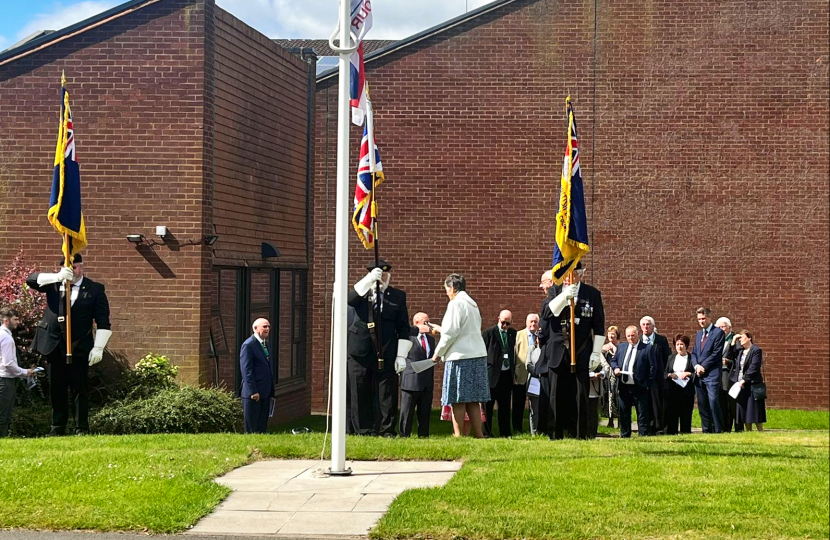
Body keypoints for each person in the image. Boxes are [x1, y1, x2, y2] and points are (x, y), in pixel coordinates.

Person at [26, 254, 111, 436]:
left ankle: (81, 427)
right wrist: (57, 277)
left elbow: (103, 322)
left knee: (79, 388)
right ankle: (57, 427)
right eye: (69, 267)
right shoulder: (54, 284)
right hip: (54, 345)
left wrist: (98, 348)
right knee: (56, 388)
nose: (74, 271)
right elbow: (31, 280)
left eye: (76, 267)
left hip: (79, 345)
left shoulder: (95, 289)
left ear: (82, 267)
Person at [538, 261, 605, 440]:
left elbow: (599, 327)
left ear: (580, 273)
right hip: (558, 352)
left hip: (582, 351)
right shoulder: (554, 291)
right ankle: (555, 434)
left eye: (572, 273)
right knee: (556, 395)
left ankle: (579, 434)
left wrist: (596, 353)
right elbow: (546, 313)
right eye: (566, 273)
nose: (569, 277)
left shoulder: (592, 294)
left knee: (580, 396)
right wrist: (563, 297)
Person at [347, 260, 411, 437]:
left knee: (387, 393)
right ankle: (364, 430)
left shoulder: (397, 296)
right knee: (360, 391)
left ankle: (386, 429)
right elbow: (350, 299)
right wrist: (368, 280)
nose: (381, 278)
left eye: (384, 275)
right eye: (377, 275)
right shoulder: (362, 292)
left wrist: (401, 356)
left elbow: (403, 327)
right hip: (360, 350)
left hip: (387, 350)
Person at [431, 273, 490, 438]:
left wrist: (437, 354)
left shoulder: (455, 304)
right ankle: (479, 434)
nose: (446, 294)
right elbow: (464, 330)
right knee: (473, 398)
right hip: (477, 354)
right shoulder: (472, 304)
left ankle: (458, 435)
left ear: (452, 288)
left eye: (446, 290)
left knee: (458, 398)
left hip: (460, 357)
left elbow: (451, 333)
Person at [610, 325, 656, 438]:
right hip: (624, 385)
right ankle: (625, 435)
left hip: (639, 386)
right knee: (624, 412)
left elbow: (652, 367)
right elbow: (614, 360)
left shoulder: (647, 348)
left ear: (638, 334)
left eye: (633, 335)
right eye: (628, 336)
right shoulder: (621, 347)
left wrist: (647, 383)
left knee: (642, 413)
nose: (631, 338)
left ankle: (643, 435)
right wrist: (615, 368)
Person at [0, 308, 36, 437]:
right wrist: (24, 372)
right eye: (15, 319)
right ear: (6, 320)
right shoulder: (6, 338)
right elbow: (8, 363)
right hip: (5, 382)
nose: (18, 322)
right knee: (3, 417)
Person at [399, 312, 435, 438]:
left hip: (426, 381)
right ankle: (404, 435)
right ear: (417, 323)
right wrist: (416, 330)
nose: (428, 325)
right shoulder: (408, 337)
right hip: (411, 380)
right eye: (426, 322)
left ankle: (424, 436)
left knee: (425, 413)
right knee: (407, 412)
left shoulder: (431, 339)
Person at [481, 310, 517, 437]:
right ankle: (486, 433)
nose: (505, 326)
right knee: (487, 407)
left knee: (505, 407)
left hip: (506, 376)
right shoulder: (489, 333)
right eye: (503, 322)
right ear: (498, 319)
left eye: (508, 323)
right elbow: (482, 354)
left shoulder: (513, 334)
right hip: (491, 376)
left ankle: (505, 433)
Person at [691, 307, 726, 433]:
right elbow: (694, 352)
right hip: (699, 374)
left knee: (713, 401)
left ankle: (718, 429)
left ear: (710, 318)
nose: (701, 321)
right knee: (702, 403)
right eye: (699, 319)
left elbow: (716, 353)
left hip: (711, 374)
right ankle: (706, 430)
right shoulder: (699, 334)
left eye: (703, 318)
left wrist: (703, 366)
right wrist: (696, 366)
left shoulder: (718, 333)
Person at [239, 318, 274, 434]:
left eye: (268, 326)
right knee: (251, 429)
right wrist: (253, 391)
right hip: (253, 394)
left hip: (265, 392)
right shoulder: (248, 345)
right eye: (264, 326)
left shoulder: (266, 344)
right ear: (255, 328)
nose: (267, 329)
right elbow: (246, 371)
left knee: (262, 428)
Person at [729, 330, 766, 431]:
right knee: (744, 409)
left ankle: (760, 431)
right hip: (741, 385)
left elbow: (754, 367)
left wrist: (744, 379)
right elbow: (730, 355)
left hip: (752, 384)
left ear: (749, 338)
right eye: (739, 338)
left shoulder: (756, 350)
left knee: (755, 410)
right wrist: (733, 340)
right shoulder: (740, 351)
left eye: (742, 337)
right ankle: (748, 431)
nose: (740, 339)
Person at [641, 316, 671, 435]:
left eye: (648, 324)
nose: (645, 327)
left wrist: (665, 374)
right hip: (643, 377)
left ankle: (658, 427)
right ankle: (646, 426)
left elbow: (667, 358)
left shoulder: (661, 340)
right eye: (643, 325)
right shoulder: (639, 340)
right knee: (645, 403)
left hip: (658, 378)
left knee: (657, 403)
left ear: (653, 326)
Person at [664, 334, 695, 435]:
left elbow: (696, 374)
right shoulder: (671, 358)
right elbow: (664, 373)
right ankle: (671, 433)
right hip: (672, 390)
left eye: (681, 344)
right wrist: (670, 375)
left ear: (686, 345)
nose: (679, 347)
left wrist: (689, 374)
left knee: (686, 414)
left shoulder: (692, 358)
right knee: (672, 414)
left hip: (686, 391)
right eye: (677, 344)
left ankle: (685, 433)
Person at [515, 313, 541, 435]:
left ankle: (535, 430)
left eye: (535, 322)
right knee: (519, 404)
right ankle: (517, 429)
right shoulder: (519, 335)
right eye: (531, 321)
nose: (533, 324)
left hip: (535, 378)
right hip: (520, 374)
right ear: (526, 322)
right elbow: (515, 353)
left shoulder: (541, 336)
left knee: (534, 405)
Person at [715, 317, 742, 433]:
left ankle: (738, 428)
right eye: (718, 327)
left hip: (730, 376)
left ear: (730, 328)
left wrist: (728, 362)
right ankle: (725, 428)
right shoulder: (716, 340)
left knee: (733, 403)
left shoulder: (736, 340)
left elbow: (740, 359)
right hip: (718, 376)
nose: (721, 329)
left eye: (723, 327)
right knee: (722, 403)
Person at [600, 326, 621, 428]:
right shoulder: (604, 348)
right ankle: (610, 420)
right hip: (608, 375)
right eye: (609, 334)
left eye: (613, 333)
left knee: (619, 396)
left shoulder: (621, 347)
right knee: (609, 396)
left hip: (619, 375)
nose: (611, 336)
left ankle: (620, 421)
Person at [587, 345, 609, 438]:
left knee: (592, 412)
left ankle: (592, 433)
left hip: (593, 389)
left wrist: (600, 374)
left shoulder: (597, 353)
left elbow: (606, 366)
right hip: (579, 388)